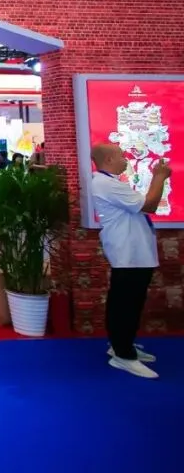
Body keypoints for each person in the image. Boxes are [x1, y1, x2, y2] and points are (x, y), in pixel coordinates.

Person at [91, 143, 171, 379]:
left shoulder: (110, 182)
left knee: (129, 302)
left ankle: (122, 345)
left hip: (134, 253)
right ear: (108, 160)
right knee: (126, 304)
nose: (126, 160)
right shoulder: (105, 183)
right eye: (121, 156)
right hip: (128, 253)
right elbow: (150, 205)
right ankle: (123, 355)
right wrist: (159, 176)